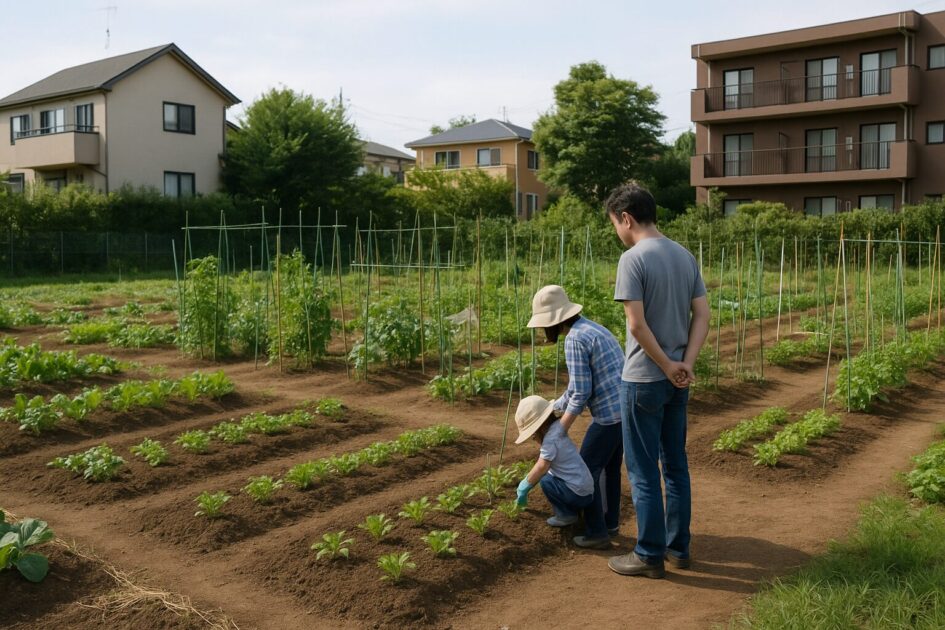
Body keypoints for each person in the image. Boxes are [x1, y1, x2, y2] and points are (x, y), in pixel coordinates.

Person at [605, 181, 710, 579]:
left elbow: (636, 324)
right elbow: (702, 315)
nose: (617, 230)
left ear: (626, 218)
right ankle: (678, 548)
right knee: (676, 464)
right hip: (676, 379)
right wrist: (684, 363)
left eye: (615, 223)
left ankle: (649, 554)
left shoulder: (633, 259)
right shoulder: (684, 255)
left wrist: (665, 363)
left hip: (644, 379)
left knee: (643, 468)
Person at [526, 284, 625, 550]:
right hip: (624, 412)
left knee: (586, 472)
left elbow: (581, 393)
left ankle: (597, 533)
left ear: (552, 321)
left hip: (607, 418)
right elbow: (576, 387)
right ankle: (610, 523)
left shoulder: (574, 340)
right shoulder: (592, 328)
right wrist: (553, 406)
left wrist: (560, 428)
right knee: (610, 470)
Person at [514, 395, 594, 527]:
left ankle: (566, 515)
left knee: (546, 480)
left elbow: (542, 466)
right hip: (586, 489)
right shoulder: (558, 427)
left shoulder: (550, 440)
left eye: (533, 434)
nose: (533, 438)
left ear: (539, 427)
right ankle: (575, 511)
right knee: (552, 475)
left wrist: (524, 486)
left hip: (578, 494)